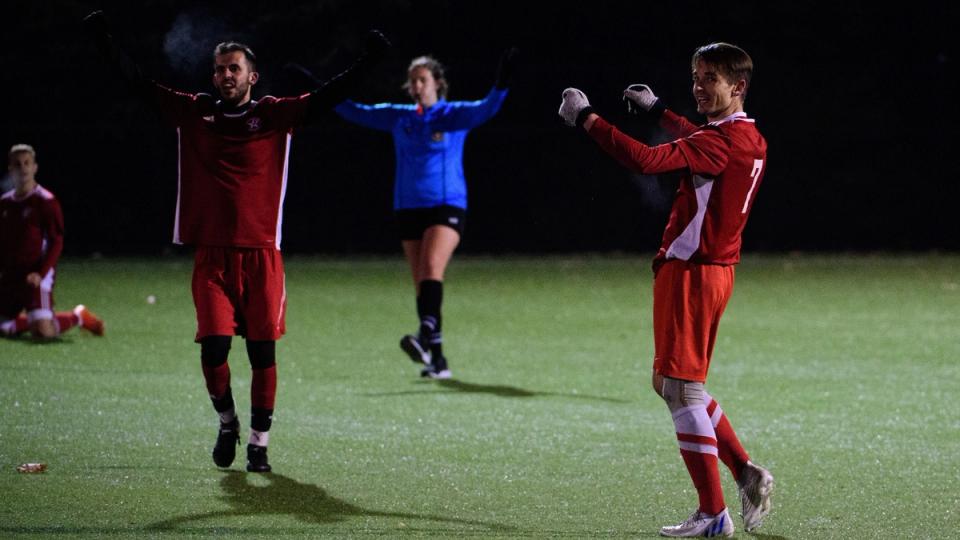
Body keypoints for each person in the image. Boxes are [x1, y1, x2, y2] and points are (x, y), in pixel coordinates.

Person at [83, 10, 389, 473]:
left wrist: (368, 62)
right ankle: (227, 422)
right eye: (220, 69)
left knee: (262, 352)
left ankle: (259, 444)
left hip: (262, 255)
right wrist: (105, 43)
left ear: (252, 76)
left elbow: (328, 98)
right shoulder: (196, 110)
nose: (226, 76)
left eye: (234, 69)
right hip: (213, 257)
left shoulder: (272, 114)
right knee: (214, 348)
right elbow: (138, 85)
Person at [558, 43, 774, 537]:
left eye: (711, 79)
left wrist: (586, 116)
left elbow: (642, 159)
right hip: (712, 271)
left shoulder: (717, 143)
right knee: (674, 385)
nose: (699, 87)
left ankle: (714, 514)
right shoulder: (749, 135)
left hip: (693, 273)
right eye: (696, 76)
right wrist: (659, 110)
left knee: (681, 389)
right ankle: (747, 474)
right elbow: (704, 135)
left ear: (737, 87)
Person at [334, 48, 516, 379]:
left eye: (422, 79)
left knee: (432, 267)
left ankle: (423, 335)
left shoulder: (452, 115)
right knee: (422, 283)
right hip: (407, 207)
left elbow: (488, 107)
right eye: (412, 81)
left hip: (447, 205)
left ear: (437, 83)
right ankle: (438, 359)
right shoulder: (399, 117)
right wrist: (318, 90)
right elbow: (354, 111)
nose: (416, 85)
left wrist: (501, 81)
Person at [1, 144, 105, 341]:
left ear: (34, 168)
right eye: (17, 164)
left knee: (43, 333)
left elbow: (56, 242)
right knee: (5, 327)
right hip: (12, 276)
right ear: (10, 169)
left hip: (36, 275)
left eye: (27, 163)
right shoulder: (5, 203)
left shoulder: (45, 201)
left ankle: (78, 316)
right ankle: (30, 320)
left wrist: (40, 273)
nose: (22, 168)